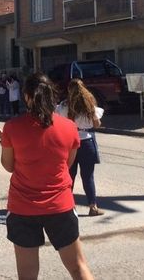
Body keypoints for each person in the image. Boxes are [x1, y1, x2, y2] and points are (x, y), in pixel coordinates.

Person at [0, 73, 93, 280]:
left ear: (27, 97)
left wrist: (5, 142)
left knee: (28, 274)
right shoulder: (69, 127)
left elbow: (9, 166)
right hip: (60, 206)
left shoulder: (12, 127)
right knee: (77, 267)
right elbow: (67, 164)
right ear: (53, 96)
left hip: (23, 208)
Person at [56, 79, 105, 217]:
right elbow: (96, 124)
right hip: (87, 143)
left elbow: (57, 121)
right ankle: (93, 206)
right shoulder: (89, 105)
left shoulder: (64, 106)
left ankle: (69, 207)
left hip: (70, 143)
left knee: (69, 176)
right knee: (88, 177)